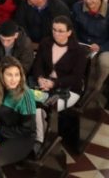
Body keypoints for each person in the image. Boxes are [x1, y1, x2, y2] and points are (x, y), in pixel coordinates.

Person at [31, 16, 87, 151]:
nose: (56, 33)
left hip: (68, 90)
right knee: (29, 102)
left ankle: (40, 141)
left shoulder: (79, 51)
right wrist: (40, 78)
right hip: (44, 85)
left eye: (61, 31)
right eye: (54, 30)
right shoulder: (45, 43)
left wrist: (54, 83)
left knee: (44, 106)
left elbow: (76, 77)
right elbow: (37, 65)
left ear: (69, 32)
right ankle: (34, 135)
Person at [72, 0, 109, 91]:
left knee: (105, 64)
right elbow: (73, 29)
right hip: (82, 44)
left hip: (104, 47)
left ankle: (95, 91)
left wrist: (100, 47)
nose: (88, 1)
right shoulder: (77, 7)